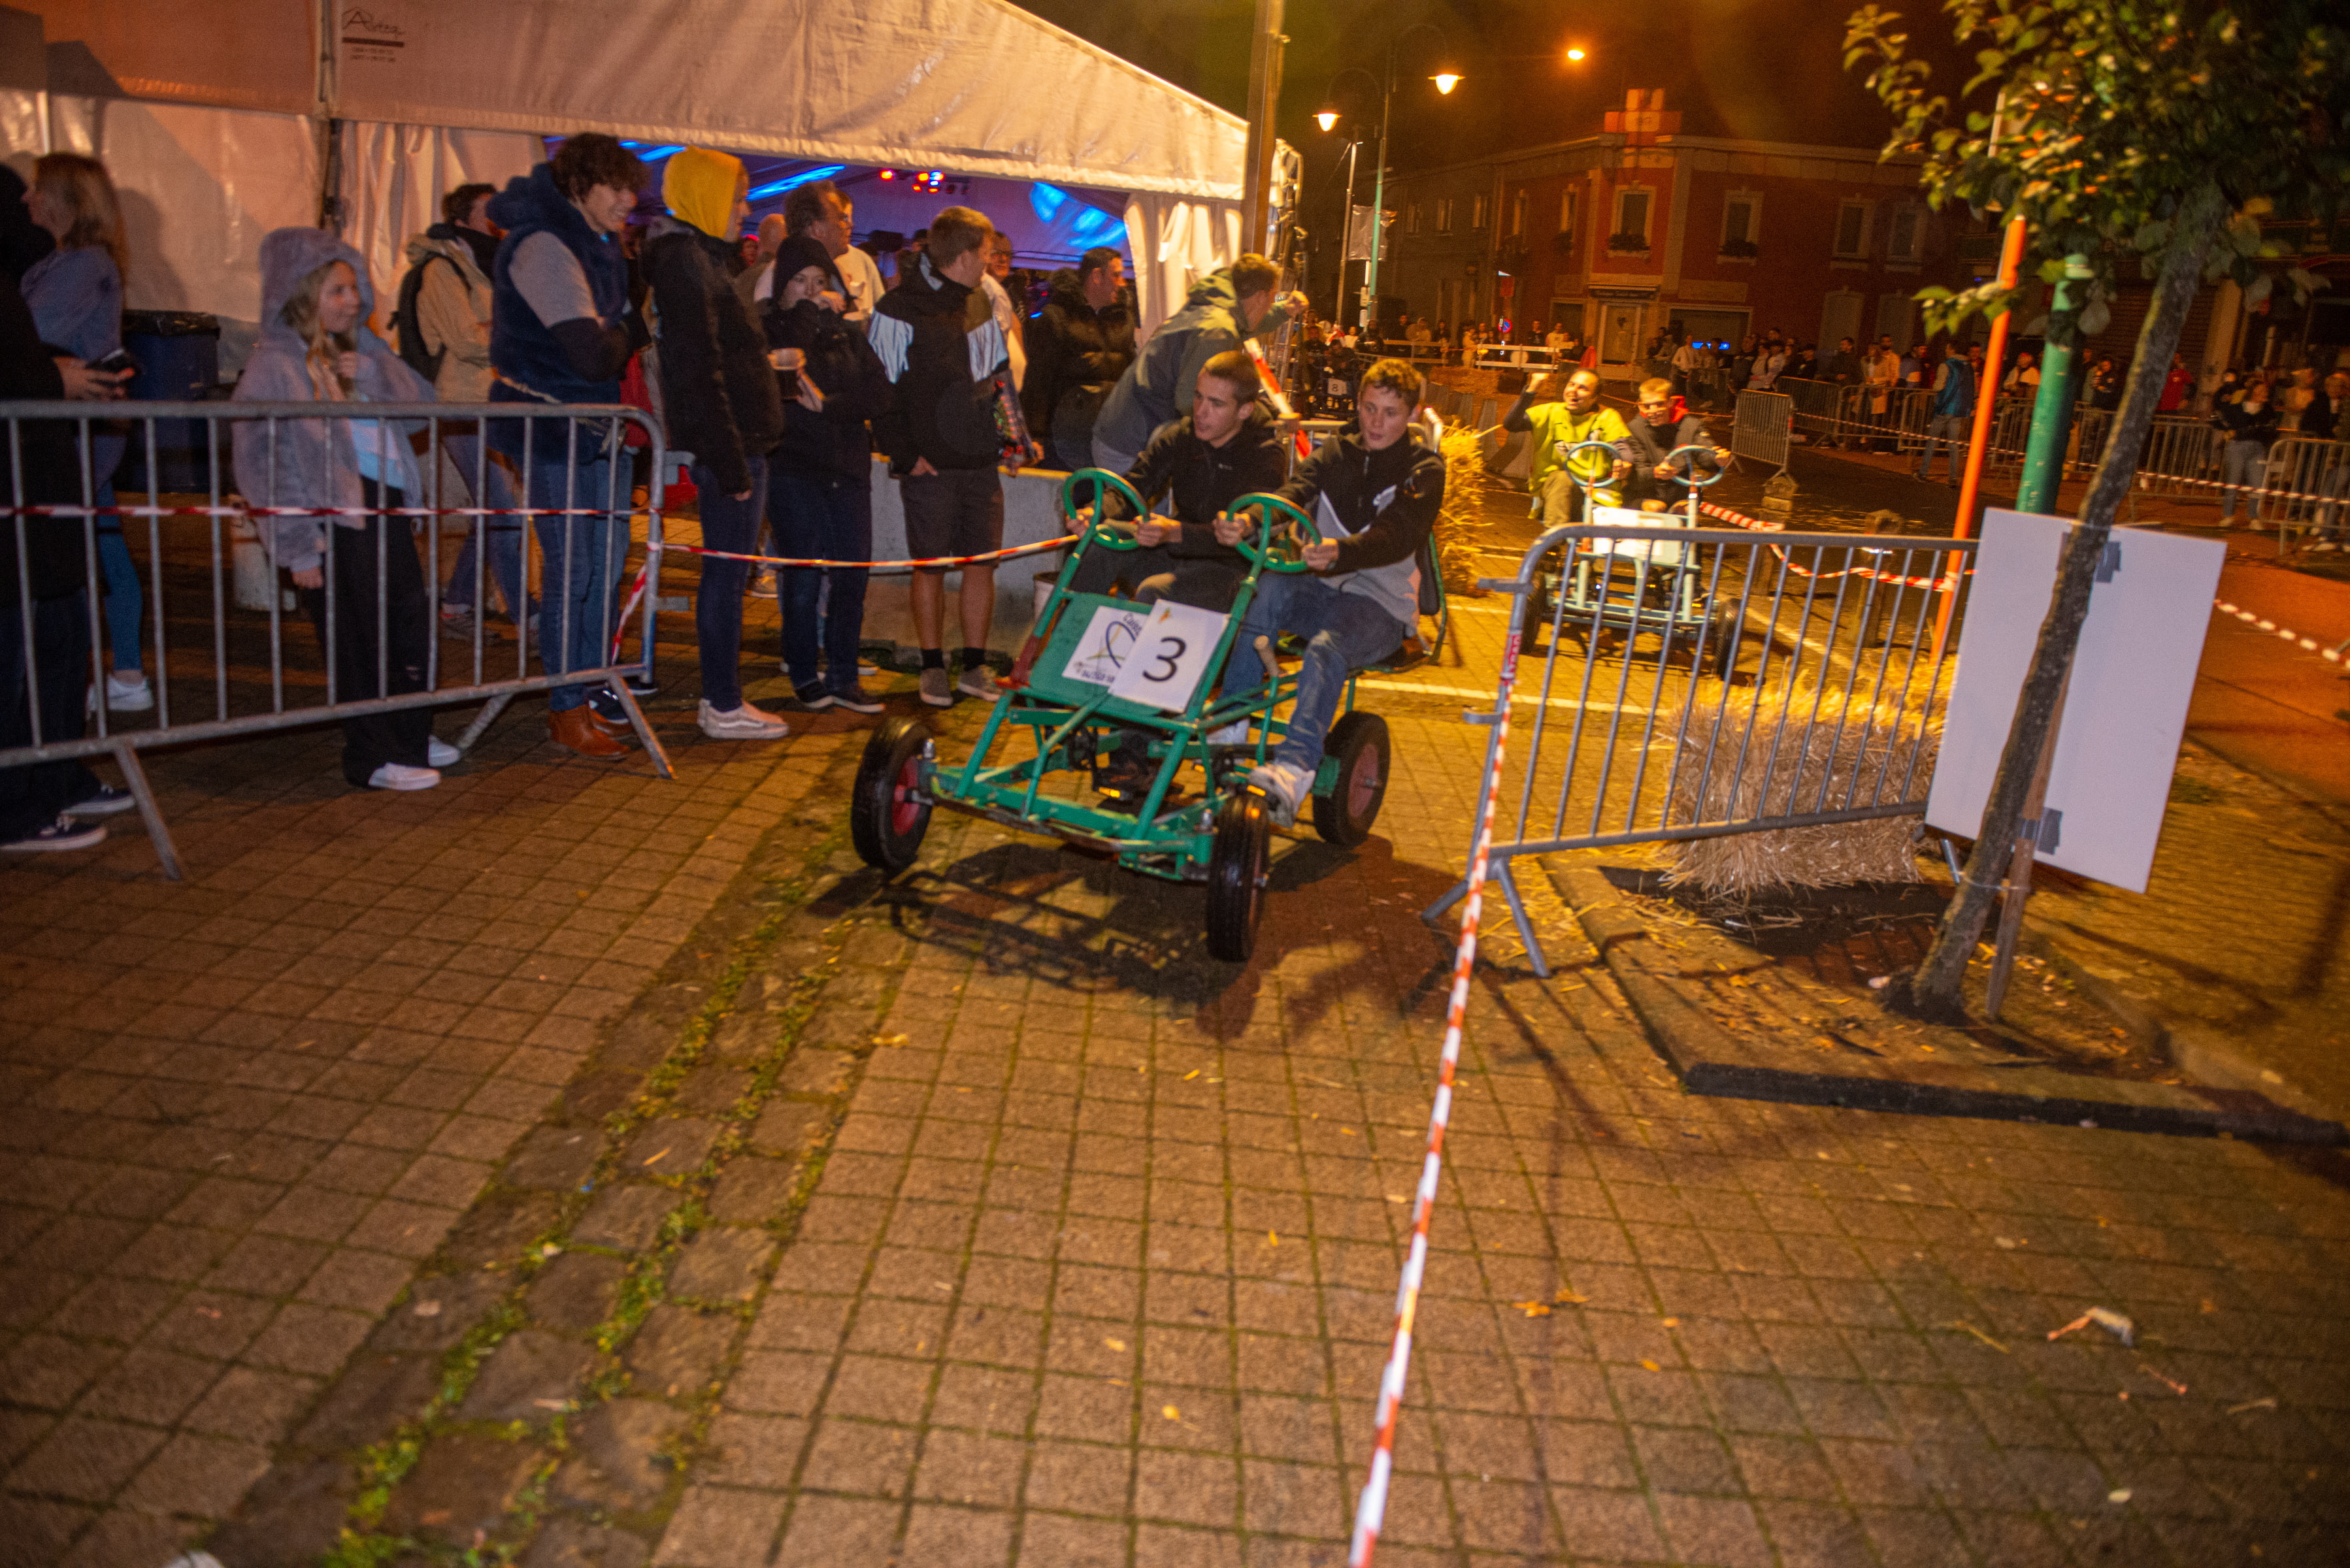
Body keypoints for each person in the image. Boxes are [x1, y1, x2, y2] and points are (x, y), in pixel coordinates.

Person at [232, 229, 451, 792]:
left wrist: (375, 375)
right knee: (356, 639)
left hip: (385, 505)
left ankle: (409, 733)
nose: (353, 301)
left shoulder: (365, 349)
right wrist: (296, 544)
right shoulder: (275, 365)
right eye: (337, 290)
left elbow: (423, 409)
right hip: (332, 520)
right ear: (302, 294)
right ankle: (373, 754)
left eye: (355, 288)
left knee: (406, 624)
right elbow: (264, 461)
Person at [1216, 357, 1444, 826]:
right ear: (1357, 404)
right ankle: (1232, 722)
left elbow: (1398, 535)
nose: (1376, 422)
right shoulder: (1335, 452)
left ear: (1412, 415)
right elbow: (1293, 493)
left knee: (1326, 647)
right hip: (1322, 589)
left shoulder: (1424, 468)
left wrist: (1342, 551)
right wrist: (1250, 521)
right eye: (1369, 408)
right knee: (1266, 586)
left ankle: (1294, 768)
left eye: (1391, 413)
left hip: (1381, 604)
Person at [486, 135, 652, 759]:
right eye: (617, 187)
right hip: (556, 429)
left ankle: (587, 691)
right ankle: (565, 707)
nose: (629, 201)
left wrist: (621, 333)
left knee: (603, 568)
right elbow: (590, 354)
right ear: (581, 185)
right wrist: (631, 327)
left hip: (595, 428)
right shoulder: (545, 246)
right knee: (573, 570)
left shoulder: (595, 245)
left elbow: (604, 346)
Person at [643, 148, 791, 742]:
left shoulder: (700, 259)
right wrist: (731, 462)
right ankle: (722, 703)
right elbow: (699, 369)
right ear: (704, 196)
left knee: (729, 576)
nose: (744, 209)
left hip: (739, 442)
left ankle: (723, 700)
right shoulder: (687, 264)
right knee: (726, 577)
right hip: (731, 447)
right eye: (737, 197)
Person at [870, 205, 1030, 708]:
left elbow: (998, 376)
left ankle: (975, 667)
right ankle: (932, 666)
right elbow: (879, 388)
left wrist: (1013, 440)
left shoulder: (981, 300)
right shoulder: (898, 307)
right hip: (930, 465)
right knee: (931, 566)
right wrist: (904, 454)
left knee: (982, 562)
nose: (991, 261)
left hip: (979, 461)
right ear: (962, 255)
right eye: (986, 253)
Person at [1, 262, 131, 851]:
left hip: (38, 492)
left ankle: (52, 776)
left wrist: (65, 373)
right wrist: (50, 378)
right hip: (16, 498)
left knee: (59, 642)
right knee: (15, 660)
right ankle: (14, 804)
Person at [18, 152, 148, 713]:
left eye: (37, 189)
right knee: (103, 541)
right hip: (79, 429)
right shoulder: (66, 262)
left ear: (66, 200)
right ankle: (125, 672)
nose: (27, 199)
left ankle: (94, 674)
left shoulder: (81, 265)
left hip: (76, 432)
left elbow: (31, 333)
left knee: (80, 550)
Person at [399, 181, 533, 640]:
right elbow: (466, 339)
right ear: (461, 220)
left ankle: (455, 608)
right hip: (460, 404)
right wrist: (514, 328)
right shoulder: (443, 268)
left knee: (491, 510)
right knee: (501, 511)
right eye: (487, 211)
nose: (497, 220)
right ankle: (528, 616)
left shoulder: (482, 265)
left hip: (487, 400)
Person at [764, 234, 889, 714]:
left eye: (821, 281)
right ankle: (801, 669)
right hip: (794, 466)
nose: (813, 291)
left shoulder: (846, 333)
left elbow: (880, 393)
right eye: (801, 281)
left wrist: (832, 405)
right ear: (782, 285)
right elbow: (783, 376)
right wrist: (807, 315)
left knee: (852, 573)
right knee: (804, 575)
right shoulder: (772, 327)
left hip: (847, 466)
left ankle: (843, 673)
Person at [1064, 348, 1285, 612]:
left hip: (1231, 569)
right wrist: (1094, 511)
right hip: (1179, 552)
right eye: (1198, 396)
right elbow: (1133, 486)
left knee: (1155, 592)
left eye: (1216, 404)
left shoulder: (1265, 454)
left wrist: (1176, 533)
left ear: (1245, 410)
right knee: (1105, 537)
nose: (1201, 412)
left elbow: (1254, 527)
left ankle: (1139, 634)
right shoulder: (1182, 436)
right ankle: (1070, 632)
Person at [1091, 255, 1301, 474]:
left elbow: (1245, 326)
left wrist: (1283, 311)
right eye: (1271, 300)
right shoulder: (1218, 330)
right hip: (1132, 443)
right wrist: (1259, 415)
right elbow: (1192, 401)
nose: (1269, 307)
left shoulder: (1212, 307)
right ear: (1259, 297)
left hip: (1120, 430)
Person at [1021, 246, 1136, 473]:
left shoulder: (1123, 321)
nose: (1121, 283)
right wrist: (1035, 436)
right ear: (1096, 276)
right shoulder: (1057, 318)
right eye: (1116, 275)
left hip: (1109, 440)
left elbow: (1130, 379)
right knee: (1068, 494)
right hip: (1064, 440)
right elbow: (1038, 382)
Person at [1503, 367, 1633, 521]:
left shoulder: (1607, 417)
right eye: (1571, 385)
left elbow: (1620, 445)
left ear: (1595, 397)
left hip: (1596, 489)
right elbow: (1512, 424)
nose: (1574, 391)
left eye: (1583, 388)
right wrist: (1532, 389)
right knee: (1563, 478)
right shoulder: (1550, 412)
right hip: (1555, 487)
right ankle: (1557, 533)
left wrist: (1623, 461)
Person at [1621, 378, 1728, 511]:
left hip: (1681, 492)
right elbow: (1637, 474)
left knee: (1683, 511)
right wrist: (1656, 473)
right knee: (1655, 508)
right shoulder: (1634, 428)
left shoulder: (1691, 425)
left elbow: (1704, 455)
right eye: (1647, 406)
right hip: (1645, 493)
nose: (1653, 411)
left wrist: (1717, 459)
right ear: (1640, 405)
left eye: (1659, 404)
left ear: (1670, 402)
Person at [2211, 379, 2280, 525]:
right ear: (2253, 392)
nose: (2264, 393)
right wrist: (2227, 430)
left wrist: (2266, 435)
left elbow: (2273, 428)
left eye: (2265, 391)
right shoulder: (2237, 407)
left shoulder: (2267, 410)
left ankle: (2254, 518)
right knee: (2233, 482)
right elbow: (2215, 417)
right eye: (2261, 390)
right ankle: (2228, 515)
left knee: (2257, 483)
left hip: (2258, 448)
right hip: (2237, 446)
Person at [1913, 342, 1982, 483]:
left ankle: (1923, 473)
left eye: (1947, 348)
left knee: (1932, 441)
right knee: (1953, 445)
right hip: (1959, 410)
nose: (1945, 351)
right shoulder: (1970, 367)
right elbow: (1973, 390)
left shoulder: (1946, 365)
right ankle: (1953, 477)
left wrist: (1936, 388)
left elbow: (1938, 386)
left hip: (1944, 408)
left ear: (1952, 349)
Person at [980, 231, 1027, 393]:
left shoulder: (1010, 295)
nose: (1003, 259)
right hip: (990, 390)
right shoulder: (978, 294)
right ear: (982, 254)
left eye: (1007, 254)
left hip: (1008, 391)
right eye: (996, 253)